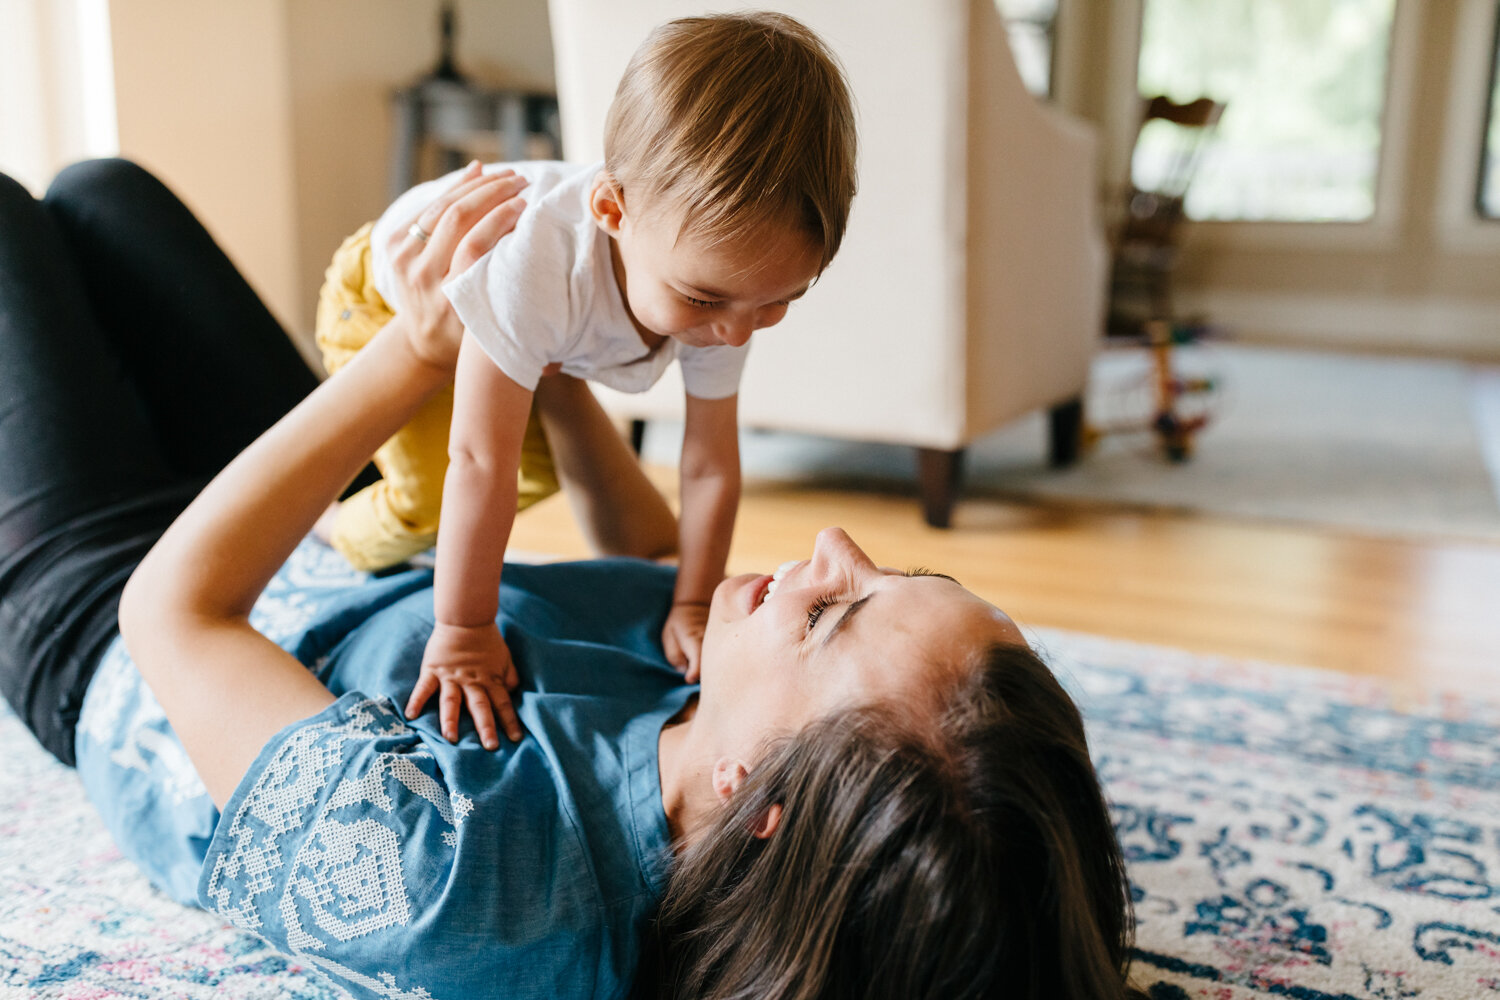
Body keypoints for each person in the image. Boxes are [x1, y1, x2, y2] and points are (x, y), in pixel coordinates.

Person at [0, 159, 1144, 1000]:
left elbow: (175, 609)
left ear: (767, 796)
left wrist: (423, 347)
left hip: (121, 618)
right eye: (898, 570)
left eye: (837, 610)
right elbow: (651, 558)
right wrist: (528, 326)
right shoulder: (730, 731)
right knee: (106, 196)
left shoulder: (457, 885)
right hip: (351, 543)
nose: (834, 545)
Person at [316, 12, 858, 754]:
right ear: (611, 211)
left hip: (531, 337)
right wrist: (466, 630)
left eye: (778, 302)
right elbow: (478, 463)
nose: (736, 331)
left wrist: (695, 603)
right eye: (704, 302)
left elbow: (706, 465)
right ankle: (330, 528)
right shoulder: (535, 269)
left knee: (533, 471)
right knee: (433, 495)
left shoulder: (724, 283)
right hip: (384, 299)